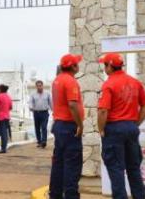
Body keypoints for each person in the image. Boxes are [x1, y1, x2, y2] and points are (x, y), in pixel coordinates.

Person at [97, 52, 145, 199]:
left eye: (105, 65)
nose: (104, 68)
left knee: (116, 170)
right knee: (134, 168)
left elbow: (103, 111)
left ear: (110, 66)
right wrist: (135, 123)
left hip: (114, 129)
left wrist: (101, 129)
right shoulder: (135, 82)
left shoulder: (108, 84)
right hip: (131, 128)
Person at [49, 54, 85, 199]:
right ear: (73, 66)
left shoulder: (57, 80)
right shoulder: (70, 82)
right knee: (72, 164)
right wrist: (80, 125)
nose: (79, 65)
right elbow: (72, 104)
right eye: (77, 63)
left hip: (59, 125)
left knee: (58, 163)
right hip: (69, 127)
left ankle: (55, 194)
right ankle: (71, 195)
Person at [29, 79, 52, 148]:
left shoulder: (47, 94)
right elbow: (30, 102)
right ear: (36, 87)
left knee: (44, 127)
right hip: (36, 113)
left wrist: (53, 110)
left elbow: (51, 103)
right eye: (38, 86)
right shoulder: (33, 94)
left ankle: (44, 141)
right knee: (37, 128)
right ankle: (39, 141)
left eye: (40, 86)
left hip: (44, 113)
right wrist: (31, 107)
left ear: (43, 86)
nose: (39, 87)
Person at [0, 84, 12, 153]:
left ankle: (3, 148)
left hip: (0, 117)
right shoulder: (8, 97)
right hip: (7, 117)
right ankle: (4, 147)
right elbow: (10, 107)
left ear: (0, 90)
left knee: (2, 133)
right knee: (5, 132)